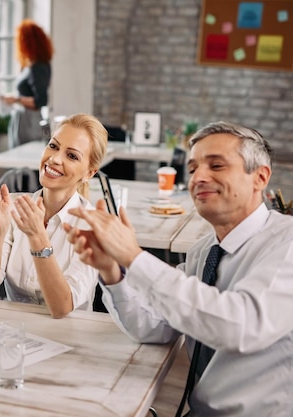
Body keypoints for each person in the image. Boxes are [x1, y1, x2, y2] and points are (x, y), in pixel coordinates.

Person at [65, 121, 293, 416]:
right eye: (194, 167)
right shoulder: (204, 251)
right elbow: (153, 327)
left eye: (216, 166)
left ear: (260, 178)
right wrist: (112, 271)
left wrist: (134, 256)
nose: (199, 177)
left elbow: (238, 326)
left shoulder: (286, 243)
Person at [0, 114, 108, 318]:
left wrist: (38, 237)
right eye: (53, 146)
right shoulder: (11, 208)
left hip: (71, 339)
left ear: (89, 173)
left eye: (72, 156)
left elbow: (62, 307)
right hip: (16, 335)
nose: (55, 159)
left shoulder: (92, 226)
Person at [1, 19, 53, 148]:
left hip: (30, 120)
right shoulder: (30, 65)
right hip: (22, 118)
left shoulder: (38, 67)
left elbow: (41, 100)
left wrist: (16, 99)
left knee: (25, 159)